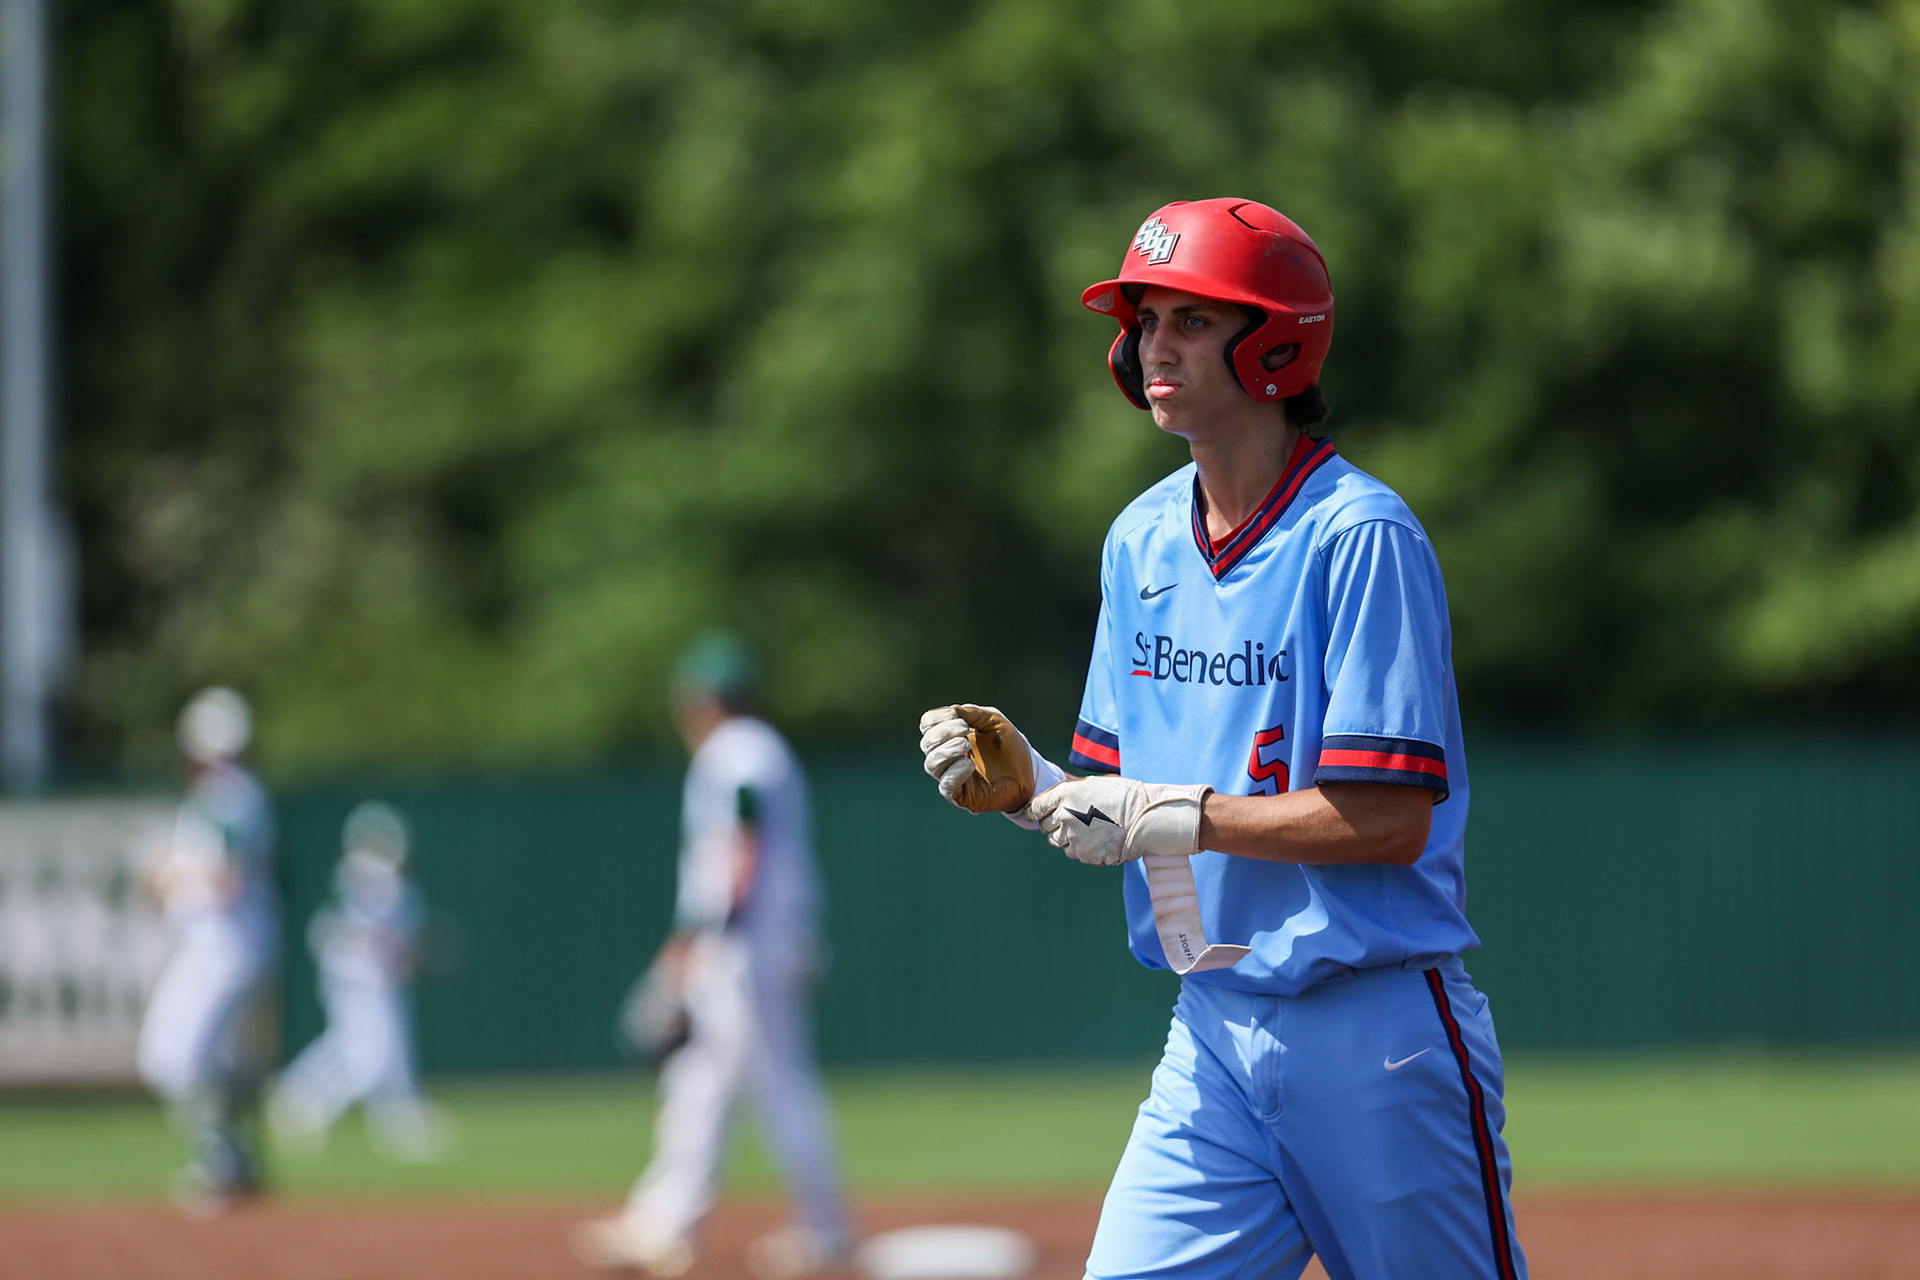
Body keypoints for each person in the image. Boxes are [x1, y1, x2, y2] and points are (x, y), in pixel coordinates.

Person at [919, 199, 1526, 1280]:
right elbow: (1121, 795)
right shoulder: (1140, 537)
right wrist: (1030, 788)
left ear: (1278, 342)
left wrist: (1172, 814)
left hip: (1377, 1032)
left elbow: (1390, 814)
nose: (1155, 343)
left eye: (1194, 318)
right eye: (1145, 318)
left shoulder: (1360, 537)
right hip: (1211, 1031)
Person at [575, 633, 852, 1280]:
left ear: (703, 699)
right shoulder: (760, 748)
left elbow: (741, 844)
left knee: (776, 1086)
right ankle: (664, 1224)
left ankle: (824, 1230)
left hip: (744, 944)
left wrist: (697, 938)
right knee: (702, 1080)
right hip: (756, 940)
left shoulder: (737, 752)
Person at [137, 686, 280, 1213]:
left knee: (171, 1056)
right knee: (214, 1059)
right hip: (225, 943)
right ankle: (236, 1161)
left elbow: (228, 876)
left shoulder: (228, 794)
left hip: (225, 945)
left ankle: (225, 1163)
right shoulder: (226, 794)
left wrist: (169, 874)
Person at [269, 801, 447, 1160]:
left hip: (379, 980)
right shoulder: (364, 873)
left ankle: (394, 1118)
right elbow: (369, 930)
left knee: (380, 1050)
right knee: (366, 1055)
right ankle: (300, 1101)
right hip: (355, 978)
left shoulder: (397, 885)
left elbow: (399, 945)